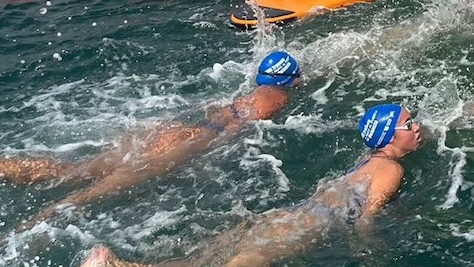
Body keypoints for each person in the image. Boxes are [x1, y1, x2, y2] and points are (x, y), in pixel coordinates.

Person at [78, 103, 422, 267]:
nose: (417, 127)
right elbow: (366, 217)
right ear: (390, 136)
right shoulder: (390, 170)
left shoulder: (370, 160)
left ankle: (119, 266)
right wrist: (372, 252)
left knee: (199, 260)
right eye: (410, 124)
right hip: (301, 228)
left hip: (286, 218)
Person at [0, 51, 301, 225]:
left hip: (170, 132)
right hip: (190, 141)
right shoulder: (275, 98)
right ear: (289, 78)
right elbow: (234, 131)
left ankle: (7, 166)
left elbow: (216, 113)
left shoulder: (248, 94)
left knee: (76, 170)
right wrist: (206, 160)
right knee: (92, 193)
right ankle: (30, 227)